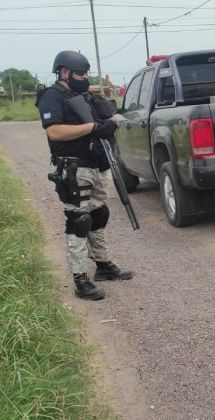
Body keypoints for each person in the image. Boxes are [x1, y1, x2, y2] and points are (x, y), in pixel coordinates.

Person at [37, 50, 133, 301]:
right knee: (79, 221)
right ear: (65, 72)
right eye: (81, 73)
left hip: (97, 165)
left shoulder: (83, 95)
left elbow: (104, 116)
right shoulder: (52, 97)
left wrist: (111, 120)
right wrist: (92, 127)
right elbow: (55, 132)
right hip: (73, 168)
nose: (85, 77)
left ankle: (103, 265)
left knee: (99, 214)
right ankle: (80, 279)